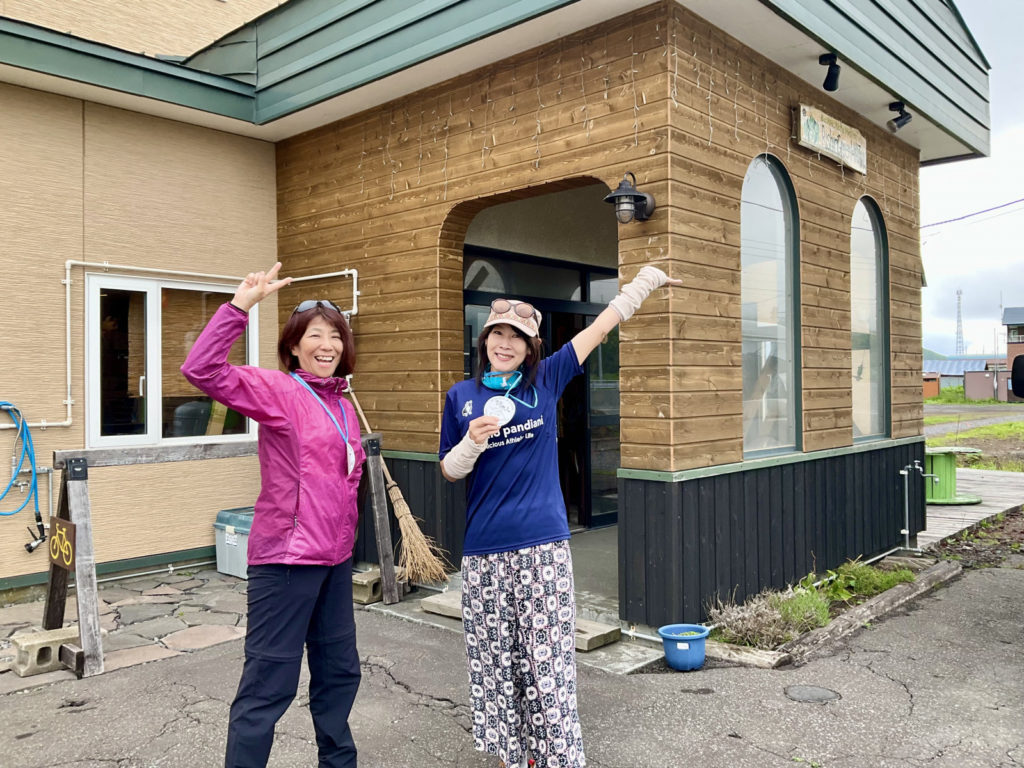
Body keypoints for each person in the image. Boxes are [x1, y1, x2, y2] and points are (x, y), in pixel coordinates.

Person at [439, 266, 680, 768]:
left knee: (547, 662)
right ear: (485, 341)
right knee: (495, 663)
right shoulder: (461, 396)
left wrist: (644, 283)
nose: (505, 344)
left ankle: (556, 758)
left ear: (532, 348)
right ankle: (512, 756)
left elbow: (602, 325)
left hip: (543, 546)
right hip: (484, 550)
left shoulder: (545, 380)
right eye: (498, 334)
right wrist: (471, 443)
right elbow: (449, 470)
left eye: (517, 338)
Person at [181, 262, 364, 768]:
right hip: (286, 562)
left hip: (334, 561)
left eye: (335, 336)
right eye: (314, 335)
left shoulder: (342, 403)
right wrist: (239, 307)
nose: (327, 345)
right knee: (269, 687)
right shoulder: (282, 392)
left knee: (340, 675)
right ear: (293, 347)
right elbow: (202, 370)